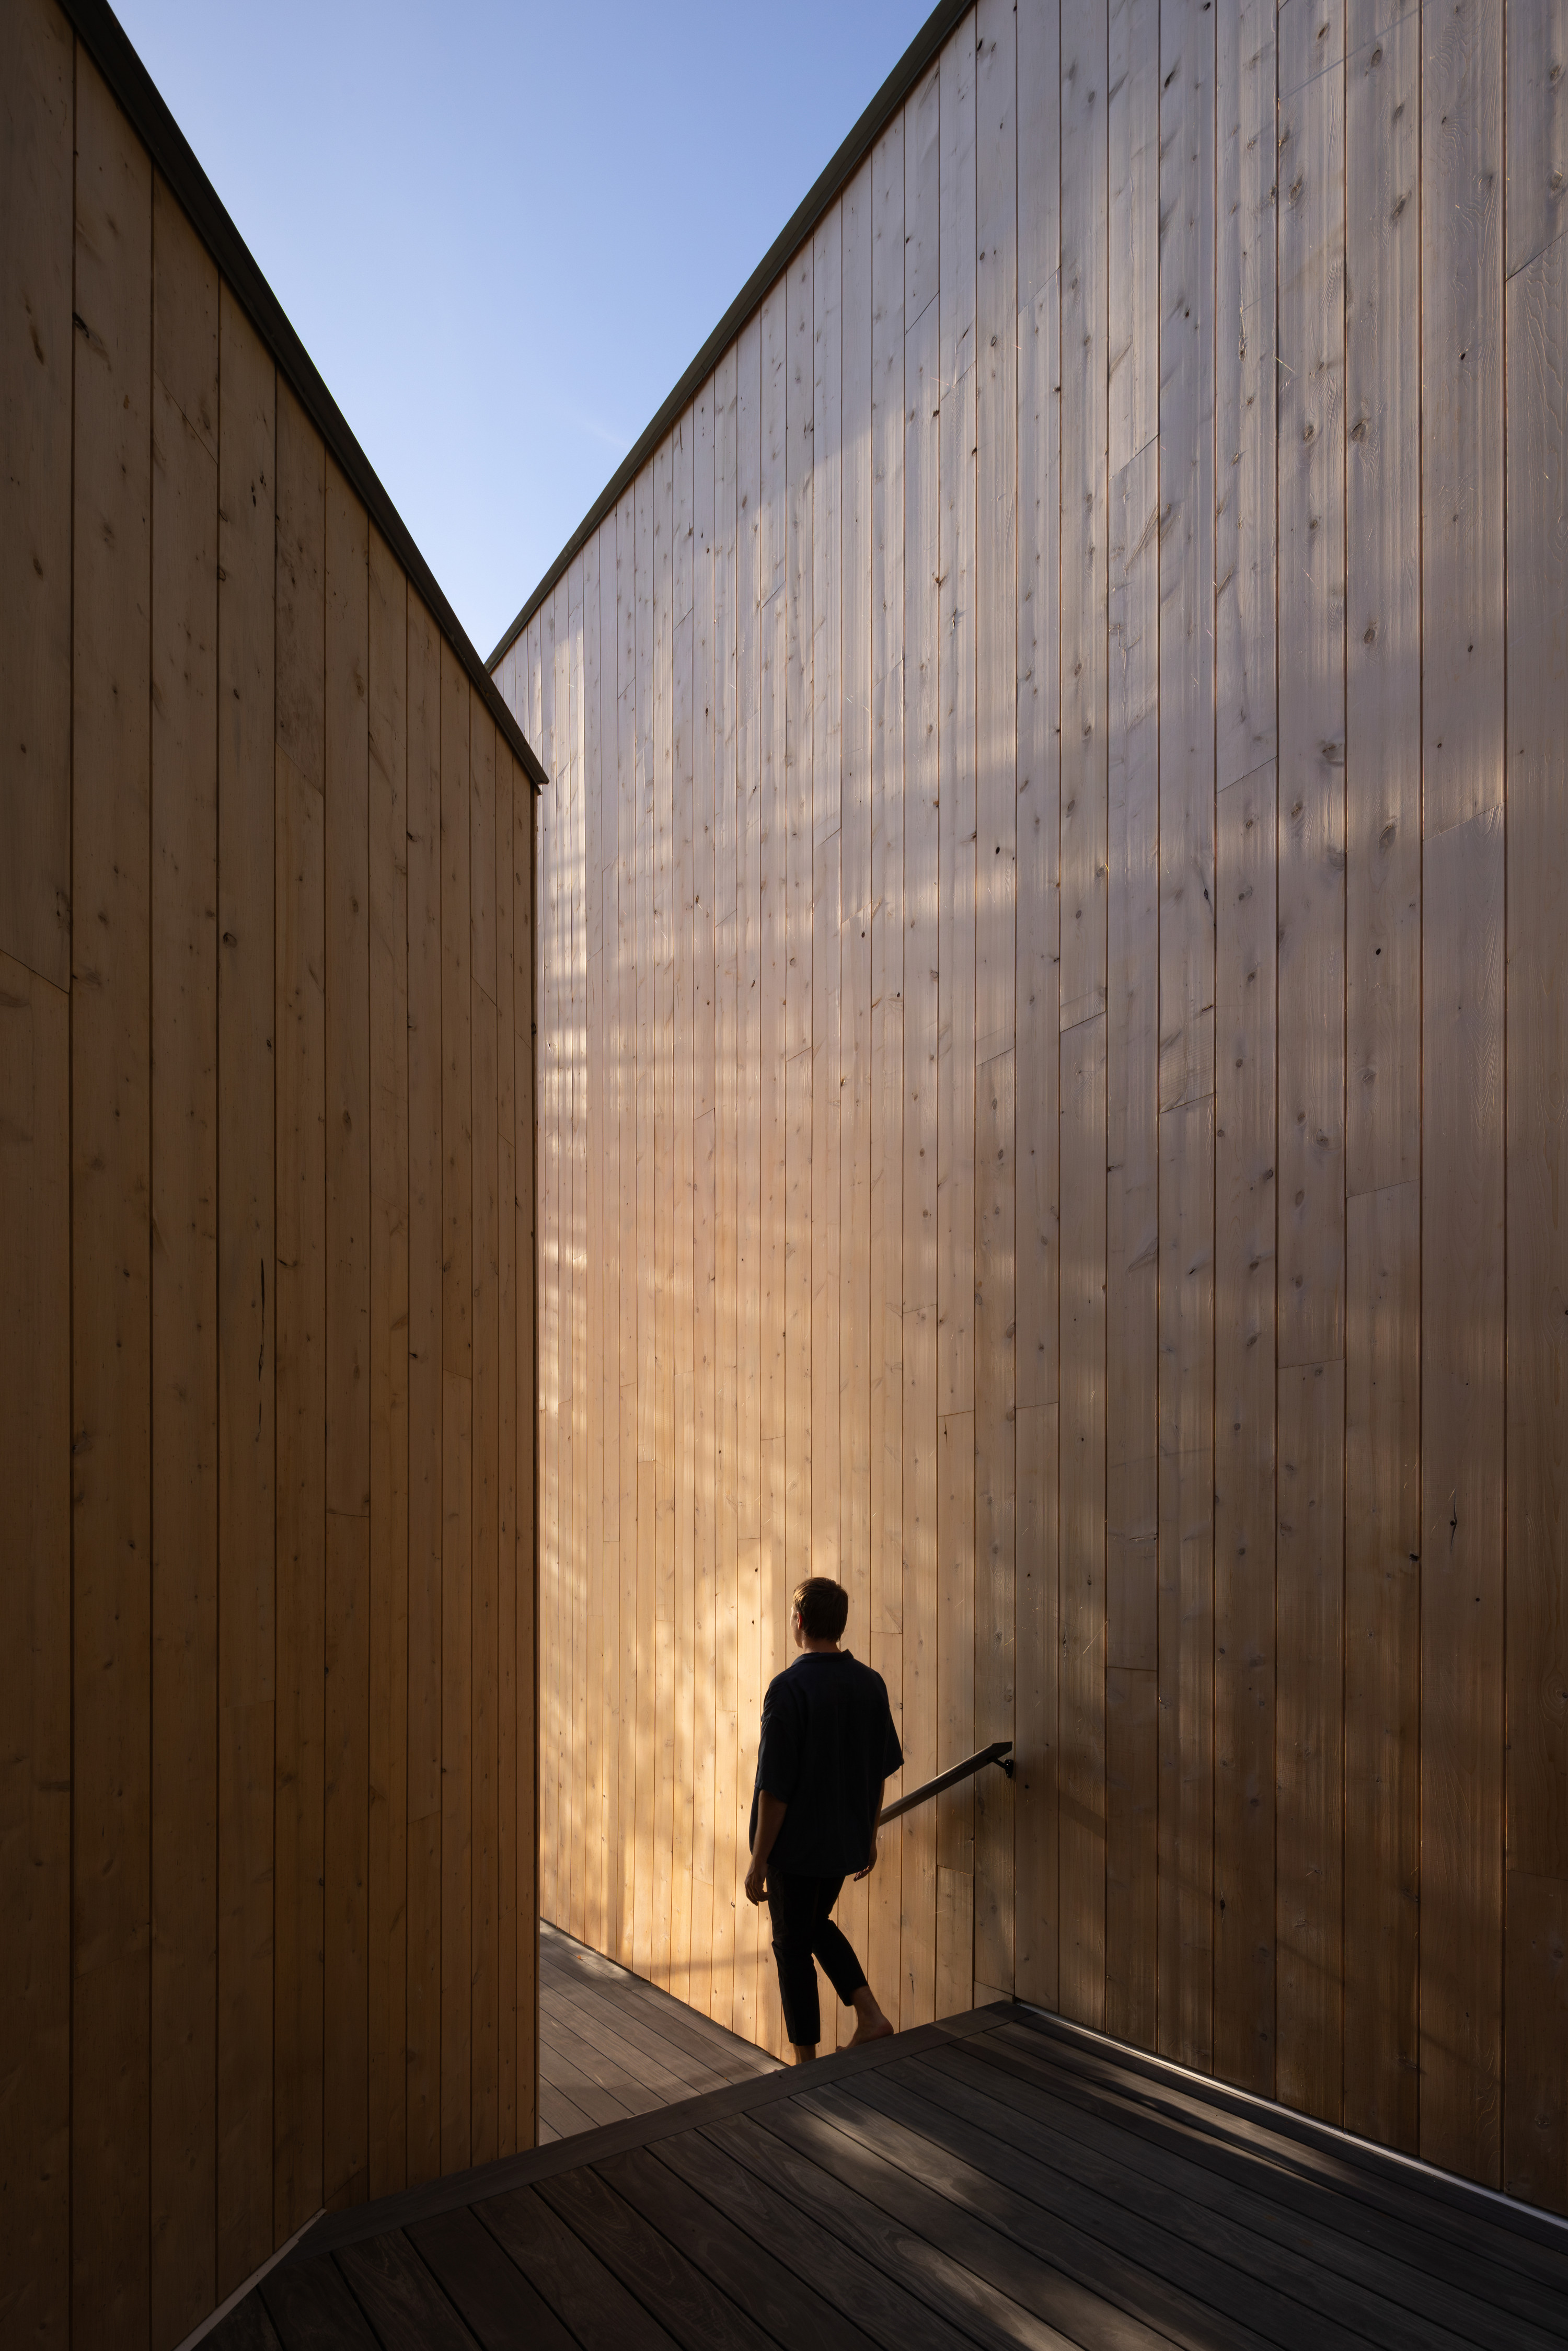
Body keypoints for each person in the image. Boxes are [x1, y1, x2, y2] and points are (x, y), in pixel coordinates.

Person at [743, 1575, 902, 2064]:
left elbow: (775, 1788)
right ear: (840, 1624)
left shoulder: (788, 1688)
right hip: (843, 1844)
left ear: (800, 1622)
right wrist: (869, 1837)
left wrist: (759, 1859)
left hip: (796, 1848)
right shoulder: (870, 1683)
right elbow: (879, 1772)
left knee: (792, 1945)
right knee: (812, 1928)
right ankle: (870, 2016)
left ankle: (805, 2066)